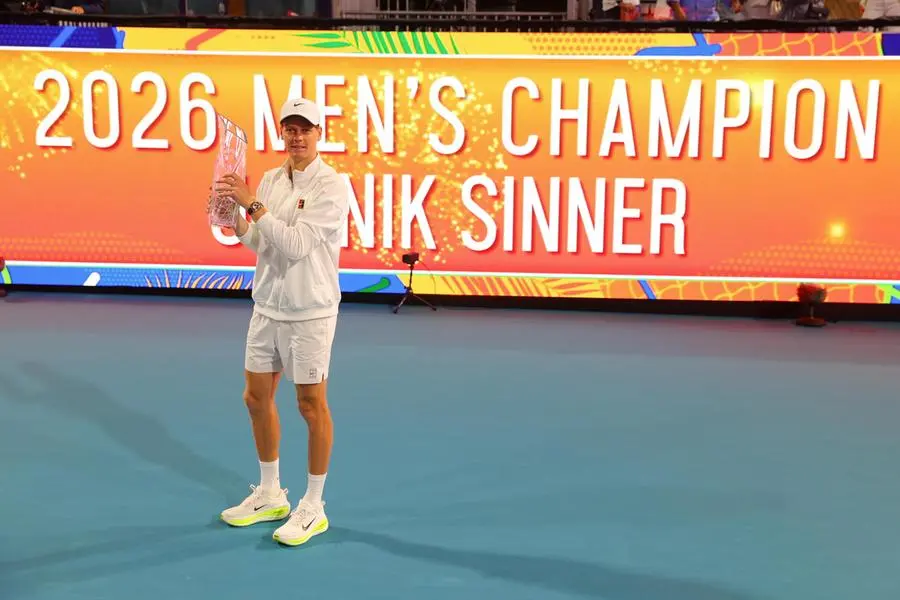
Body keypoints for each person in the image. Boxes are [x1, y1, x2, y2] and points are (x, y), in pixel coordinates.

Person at [212, 97, 349, 547]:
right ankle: (271, 494)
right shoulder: (271, 179)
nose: (297, 136)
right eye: (290, 128)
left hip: (310, 312)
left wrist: (252, 204)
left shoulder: (332, 186)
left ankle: (313, 505)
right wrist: (233, 217)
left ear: (319, 133)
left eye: (305, 129)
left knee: (310, 406)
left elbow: (294, 245)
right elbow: (262, 241)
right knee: (255, 398)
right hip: (267, 306)